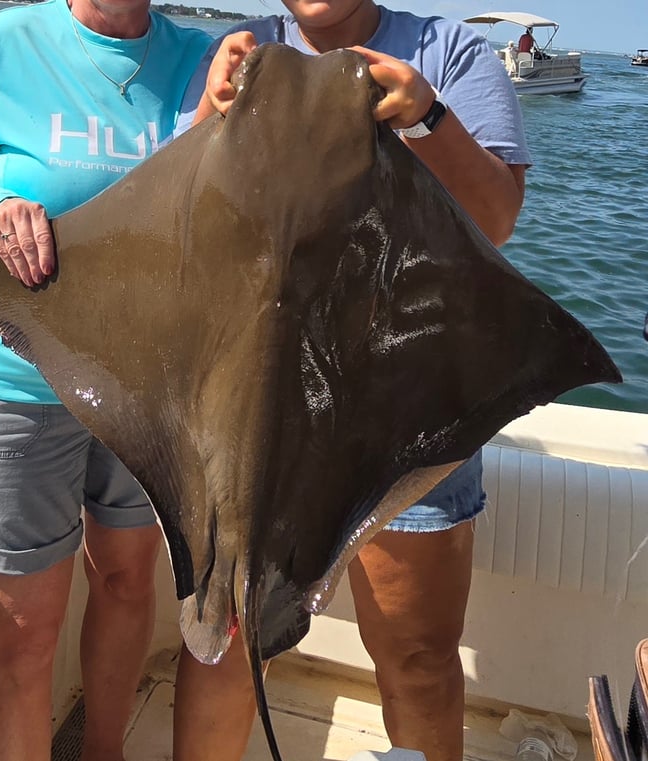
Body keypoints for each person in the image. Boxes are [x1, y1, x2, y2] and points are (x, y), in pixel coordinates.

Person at [171, 3, 531, 761]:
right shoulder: (241, 52)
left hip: (408, 404)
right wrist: (213, 102)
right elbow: (180, 215)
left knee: (418, 657)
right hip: (257, 405)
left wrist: (428, 116)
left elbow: (495, 219)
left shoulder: (450, 52)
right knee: (226, 639)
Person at [0, 1, 210, 759]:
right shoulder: (8, 42)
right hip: (15, 380)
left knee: (129, 583)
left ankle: (104, 750)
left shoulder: (203, 57)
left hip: (145, 389)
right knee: (24, 630)